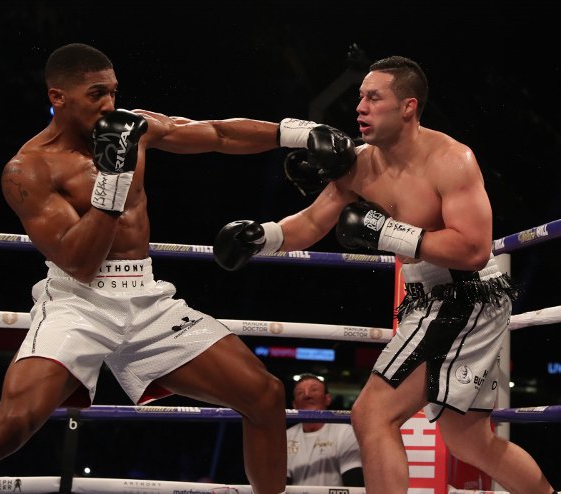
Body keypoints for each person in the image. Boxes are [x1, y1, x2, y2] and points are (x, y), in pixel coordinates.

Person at [0, 43, 354, 494]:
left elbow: (218, 134)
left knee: (264, 395)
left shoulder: (133, 128)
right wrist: (114, 180)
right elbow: (80, 261)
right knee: (14, 423)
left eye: (113, 91)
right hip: (79, 303)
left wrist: (299, 133)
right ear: (58, 97)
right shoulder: (28, 170)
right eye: (96, 94)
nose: (109, 105)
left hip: (146, 297)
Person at [213, 56, 557, 494]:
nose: (360, 107)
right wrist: (262, 237)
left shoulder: (451, 160)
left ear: (408, 107)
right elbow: (313, 221)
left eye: (374, 98)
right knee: (468, 440)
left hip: (467, 295)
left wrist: (389, 232)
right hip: (427, 297)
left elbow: (473, 250)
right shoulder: (359, 164)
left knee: (372, 414)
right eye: (361, 97)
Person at [286, 374, 363, 487]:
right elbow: (281, 484)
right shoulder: (286, 437)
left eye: (314, 390)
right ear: (294, 404)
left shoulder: (345, 432)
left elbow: (353, 481)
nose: (307, 395)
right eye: (300, 393)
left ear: (327, 399)